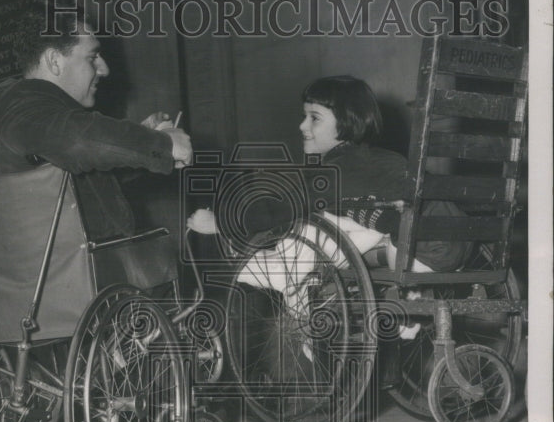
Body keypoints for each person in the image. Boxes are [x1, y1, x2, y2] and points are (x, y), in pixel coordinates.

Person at [188, 74, 469, 274]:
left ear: (346, 123)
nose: (302, 126)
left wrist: (218, 222)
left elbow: (276, 211)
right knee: (346, 219)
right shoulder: (383, 159)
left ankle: (300, 291)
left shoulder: (337, 170)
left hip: (422, 252)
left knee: (315, 237)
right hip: (461, 245)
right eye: (304, 115)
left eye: (314, 117)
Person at [0, 0, 192, 242]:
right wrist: (160, 144)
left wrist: (141, 143)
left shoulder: (34, 113)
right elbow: (79, 140)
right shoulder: (20, 103)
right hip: (60, 272)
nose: (104, 69)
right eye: (92, 57)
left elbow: (83, 173)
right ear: (54, 61)